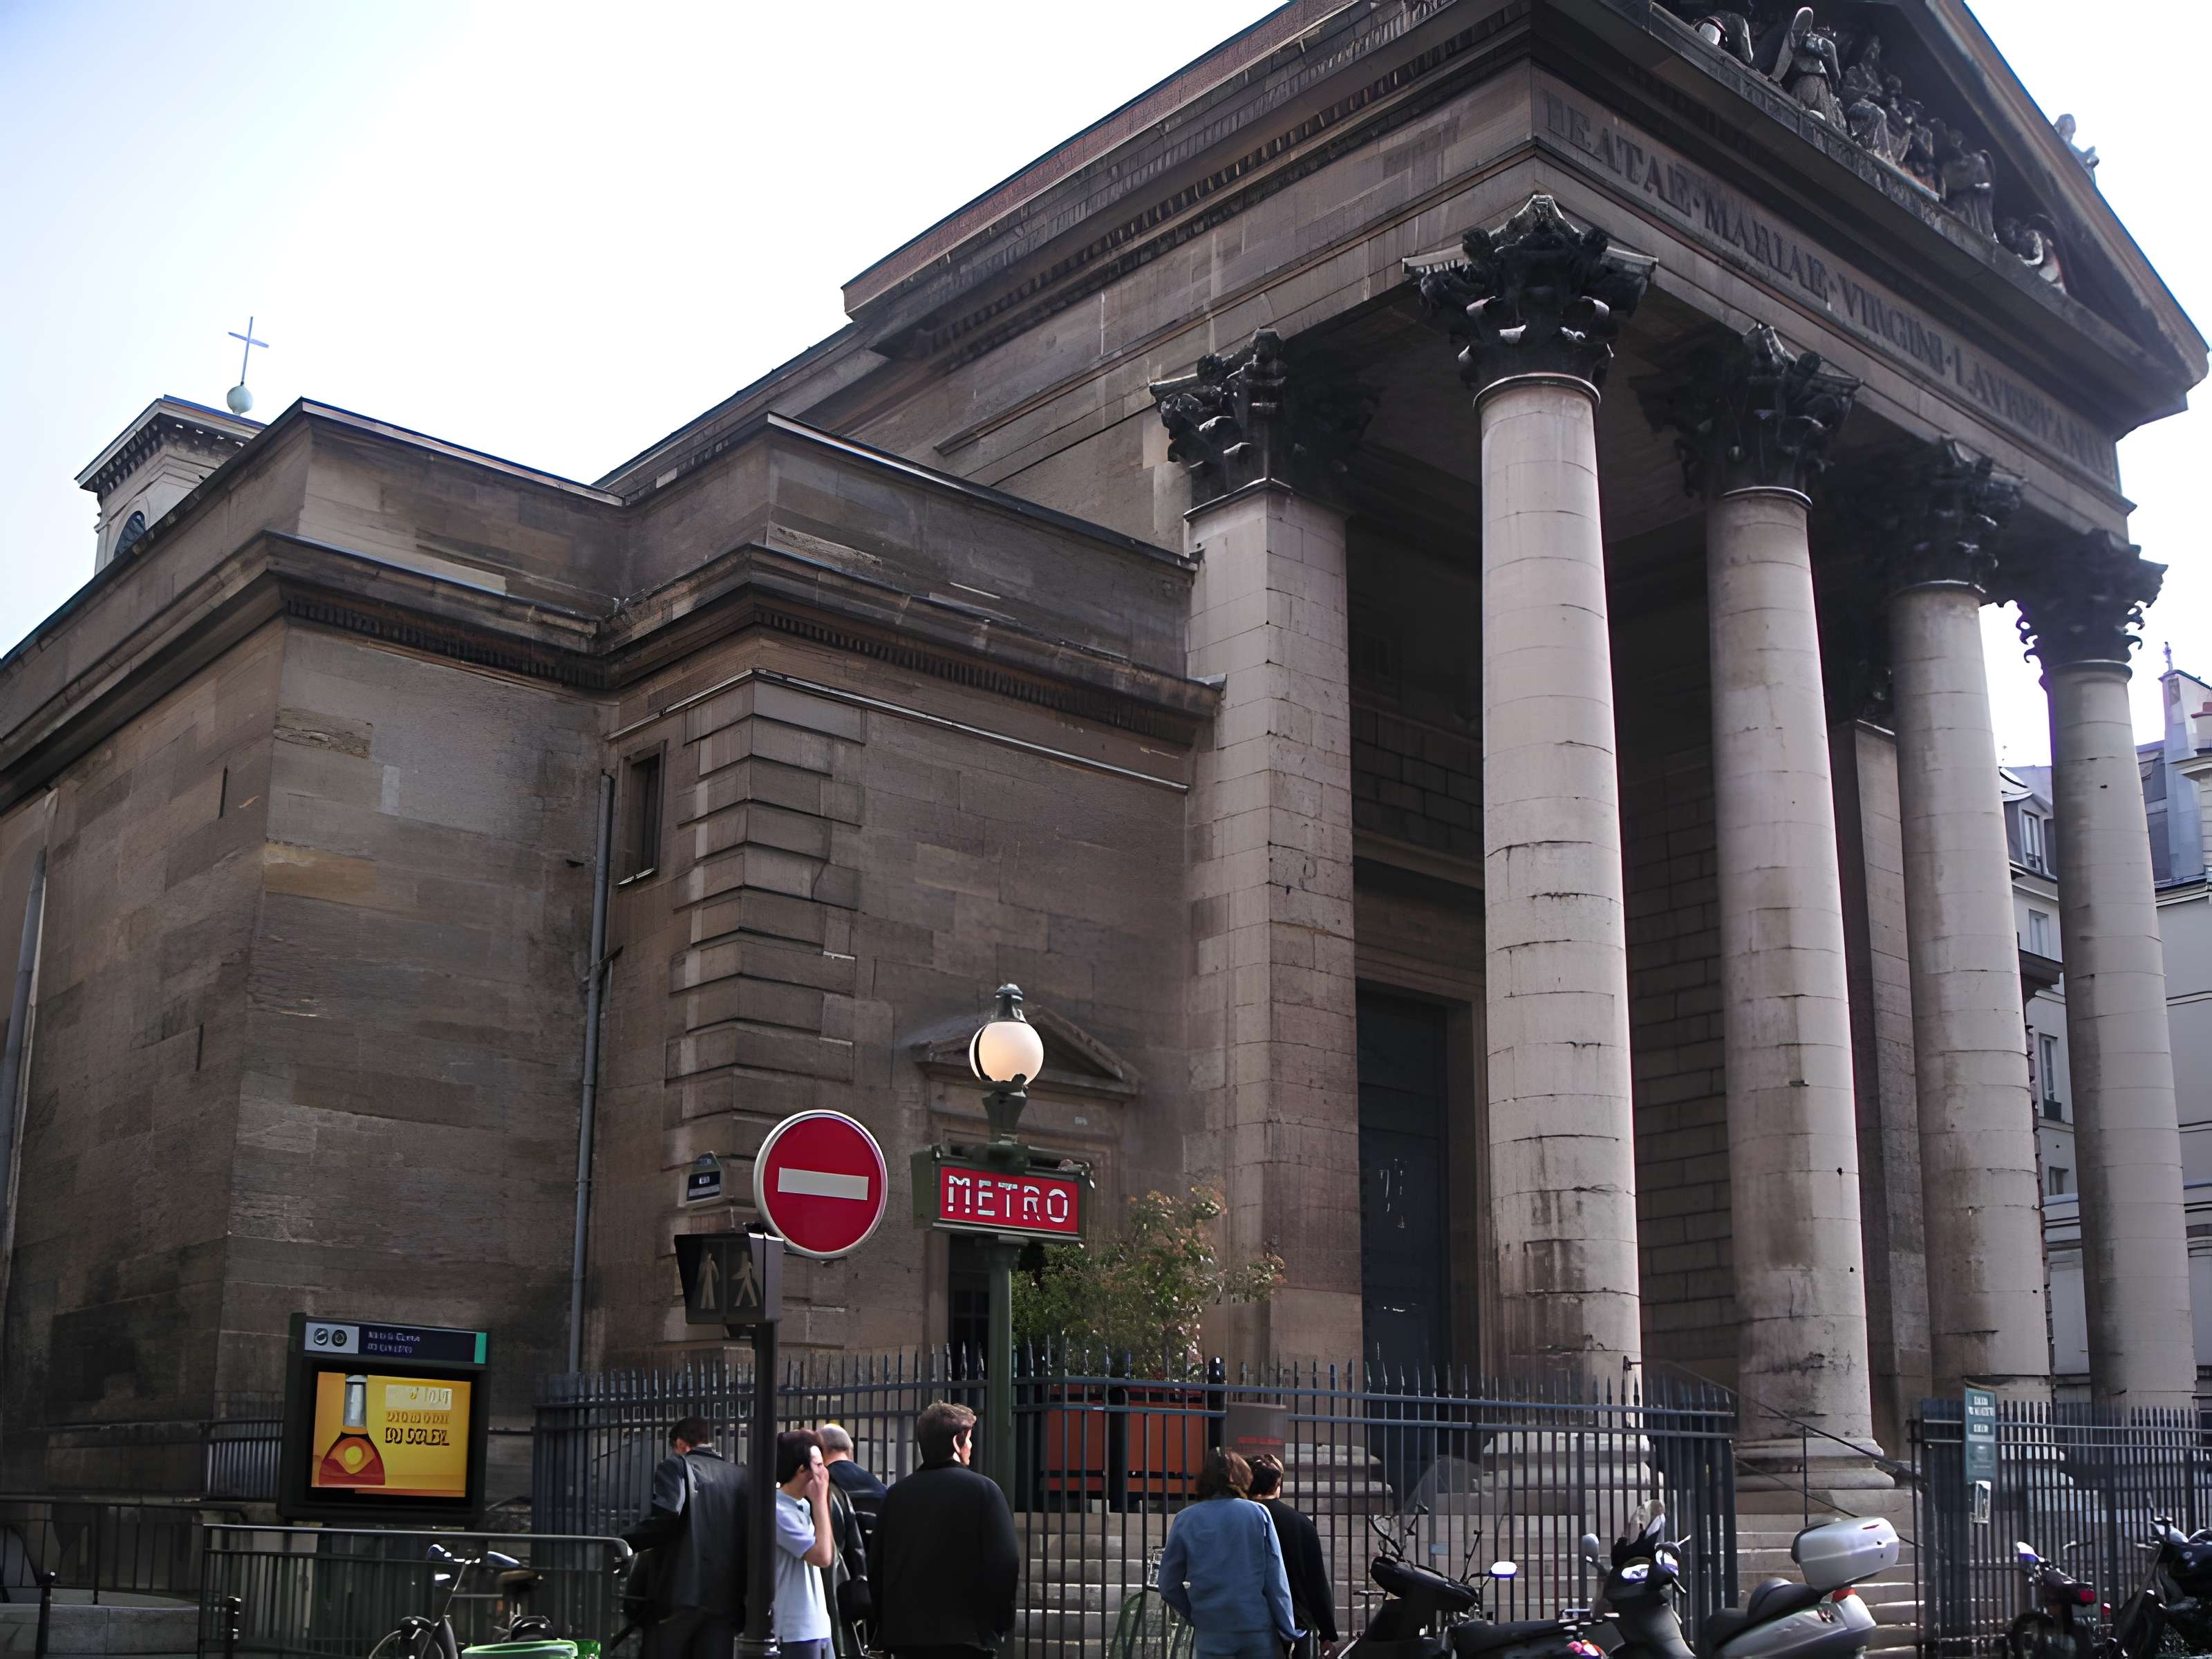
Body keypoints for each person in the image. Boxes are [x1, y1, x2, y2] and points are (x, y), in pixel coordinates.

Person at [870, 1400, 1021, 1659]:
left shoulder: (895, 1496)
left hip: (905, 1638)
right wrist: (998, 1624)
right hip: (967, 1638)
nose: (971, 1446)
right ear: (956, 1443)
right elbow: (1006, 1562)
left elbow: (876, 1566)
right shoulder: (984, 1491)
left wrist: (886, 1624)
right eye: (968, 1439)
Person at [622, 1415, 747, 1659]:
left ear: (680, 1443)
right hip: (727, 1598)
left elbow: (667, 1517)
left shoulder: (676, 1466)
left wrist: (627, 1541)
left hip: (681, 1593)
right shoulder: (739, 1476)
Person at [1156, 1449, 1300, 1659]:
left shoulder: (1185, 1520)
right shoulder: (1257, 1514)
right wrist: (1288, 1631)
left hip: (1212, 1630)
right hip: (1256, 1629)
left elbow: (1168, 1585)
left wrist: (1195, 1614)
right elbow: (1276, 1580)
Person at [1248, 1454, 1338, 1659]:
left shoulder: (1239, 1520)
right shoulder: (1301, 1523)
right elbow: (1316, 1582)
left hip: (1249, 1620)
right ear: (1277, 1484)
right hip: (1294, 1623)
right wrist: (1326, 1633)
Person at [774, 1429, 839, 1659]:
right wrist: (821, 1499)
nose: (824, 1472)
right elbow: (822, 1556)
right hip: (795, 1629)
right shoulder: (778, 1511)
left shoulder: (802, 1505)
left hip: (817, 1624)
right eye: (819, 1465)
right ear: (802, 1470)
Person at [814, 1427, 874, 1657]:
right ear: (850, 1450)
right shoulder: (878, 1486)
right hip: (869, 1590)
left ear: (821, 1451)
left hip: (836, 1590)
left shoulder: (824, 1488)